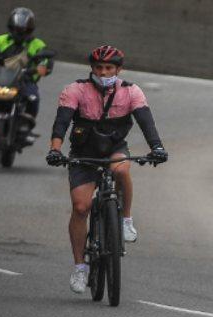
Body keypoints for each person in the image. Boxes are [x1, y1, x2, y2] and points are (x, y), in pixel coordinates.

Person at [45, 45, 168, 294]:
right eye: (99, 68)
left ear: (118, 69)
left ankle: (126, 219)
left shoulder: (131, 91)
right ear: (92, 68)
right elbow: (61, 122)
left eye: (109, 68)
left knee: (122, 170)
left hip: (114, 149)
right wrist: (55, 150)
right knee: (81, 207)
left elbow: (146, 122)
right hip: (83, 153)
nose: (103, 72)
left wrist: (157, 147)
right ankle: (80, 267)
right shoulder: (75, 90)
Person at [0, 7, 52, 143]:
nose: (20, 33)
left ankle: (25, 128)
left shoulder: (38, 45)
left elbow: (46, 59)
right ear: (11, 27)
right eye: (16, 29)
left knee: (33, 98)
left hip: (25, 80)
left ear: (30, 30)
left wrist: (44, 66)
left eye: (24, 30)